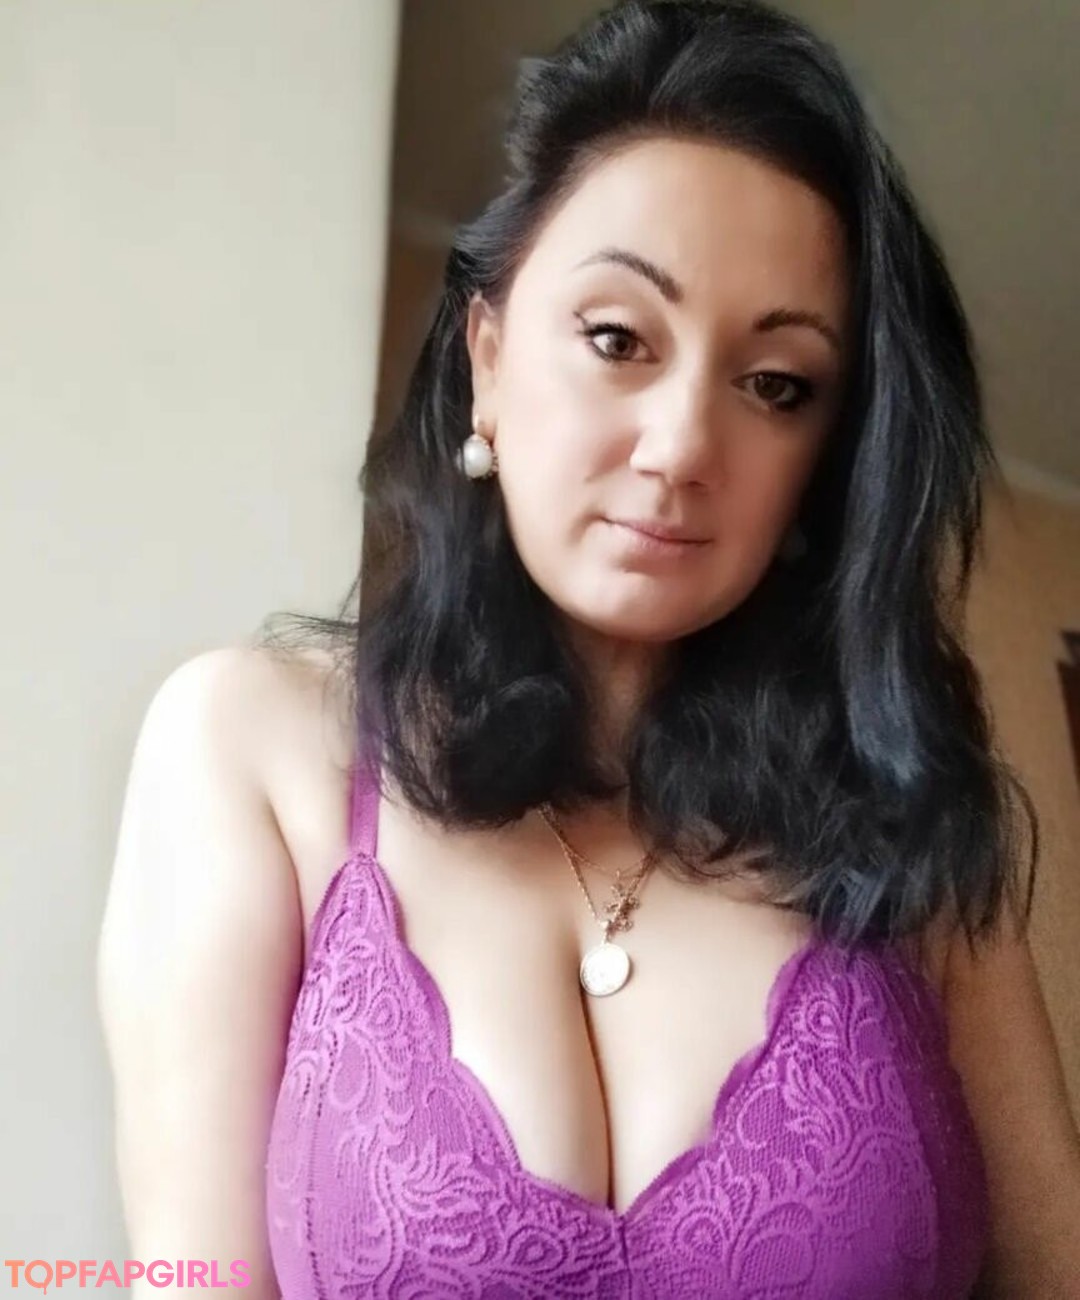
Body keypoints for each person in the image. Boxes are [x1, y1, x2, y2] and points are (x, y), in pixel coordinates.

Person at [97, 1, 1080, 1296]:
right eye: (618, 339)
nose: (681, 446)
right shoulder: (257, 750)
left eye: (776, 385)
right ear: (488, 358)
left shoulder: (908, 833)